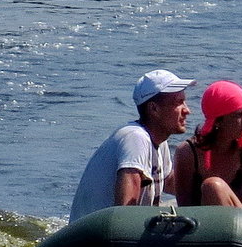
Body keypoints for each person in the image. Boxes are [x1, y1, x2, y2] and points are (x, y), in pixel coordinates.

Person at [69, 69, 195, 223]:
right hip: (92, 239)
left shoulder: (159, 141)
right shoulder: (135, 138)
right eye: (178, 102)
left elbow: (168, 182)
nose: (187, 110)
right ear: (154, 109)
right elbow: (125, 212)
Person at [172, 80, 242, 216]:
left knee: (214, 186)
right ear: (218, 122)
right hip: (202, 226)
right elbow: (185, 210)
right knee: (213, 187)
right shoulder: (187, 153)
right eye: (238, 115)